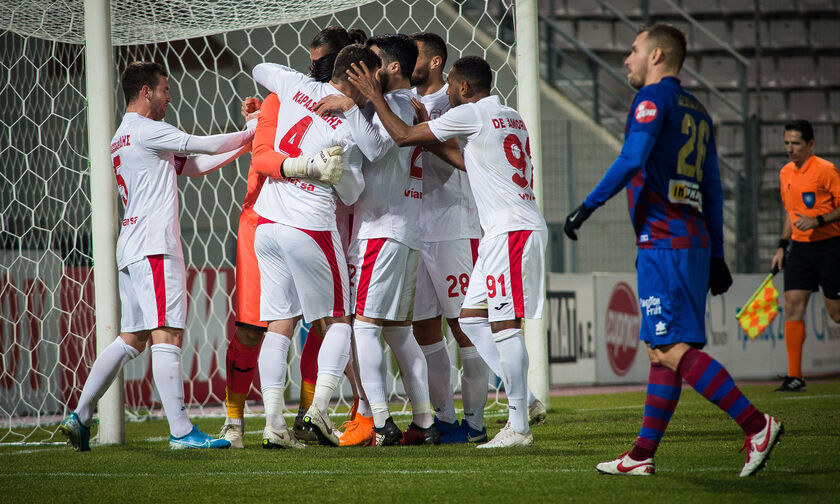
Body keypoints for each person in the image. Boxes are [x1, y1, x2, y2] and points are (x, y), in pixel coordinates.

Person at [563, 24, 782, 477]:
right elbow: (714, 187)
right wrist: (717, 253)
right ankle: (642, 455)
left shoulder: (652, 100)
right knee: (660, 349)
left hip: (664, 241)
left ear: (657, 56)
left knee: (671, 347)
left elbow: (631, 159)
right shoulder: (699, 110)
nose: (627, 58)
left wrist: (586, 207)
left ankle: (756, 424)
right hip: (693, 241)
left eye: (634, 50)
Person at [341, 54, 548, 448]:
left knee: (504, 324)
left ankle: (519, 423)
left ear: (466, 88)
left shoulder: (470, 113)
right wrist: (426, 130)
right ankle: (528, 402)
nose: (449, 90)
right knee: (471, 320)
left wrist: (371, 97)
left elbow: (400, 137)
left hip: (511, 231)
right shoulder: (509, 115)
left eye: (452, 83)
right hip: (504, 232)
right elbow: (465, 161)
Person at [59, 61, 259, 450]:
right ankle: (182, 432)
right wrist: (252, 131)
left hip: (130, 248)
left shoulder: (124, 135)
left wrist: (247, 144)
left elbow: (196, 165)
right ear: (147, 92)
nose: (170, 97)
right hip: (154, 246)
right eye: (165, 90)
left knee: (131, 339)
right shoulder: (149, 129)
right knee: (167, 334)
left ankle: (80, 415)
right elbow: (201, 144)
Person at [219, 25, 363, 449]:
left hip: (279, 221)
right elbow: (263, 158)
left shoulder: (292, 89)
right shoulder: (329, 115)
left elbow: (264, 69)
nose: (310, 66)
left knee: (294, 325)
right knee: (324, 319)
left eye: (318, 60)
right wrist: (310, 167)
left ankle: (284, 422)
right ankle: (279, 416)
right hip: (295, 222)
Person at [247, 44, 378, 447]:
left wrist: (299, 92)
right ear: (358, 77)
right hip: (309, 226)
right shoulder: (349, 125)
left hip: (267, 222)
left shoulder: (294, 84)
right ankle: (319, 411)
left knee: (278, 325)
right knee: (339, 318)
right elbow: (355, 187)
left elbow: (260, 65)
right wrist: (350, 115)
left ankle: (273, 426)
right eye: (372, 79)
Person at [771, 119, 840, 392]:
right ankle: (795, 376)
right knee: (792, 306)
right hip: (800, 249)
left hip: (830, 245)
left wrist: (818, 220)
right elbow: (791, 213)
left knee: (836, 314)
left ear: (810, 144)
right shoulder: (785, 172)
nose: (790, 148)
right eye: (786, 143)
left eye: (795, 143)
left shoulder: (826, 170)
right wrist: (781, 245)